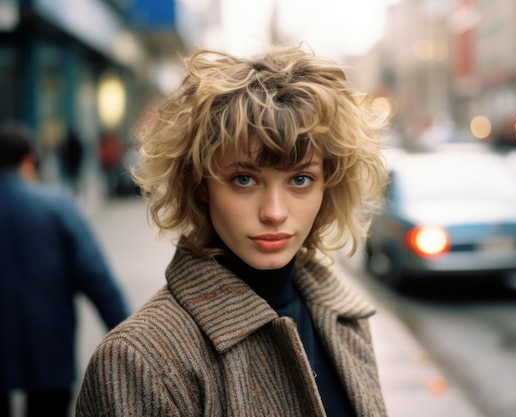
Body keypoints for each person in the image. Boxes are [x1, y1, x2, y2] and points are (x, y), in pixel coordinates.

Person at [76, 45, 391, 417]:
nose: (274, 213)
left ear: (329, 186)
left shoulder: (343, 320)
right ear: (200, 185)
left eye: (301, 179)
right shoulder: (140, 360)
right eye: (244, 179)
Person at [0, 121, 130, 417]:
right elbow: (96, 278)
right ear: (29, 161)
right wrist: (130, 336)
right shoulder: (57, 205)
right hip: (49, 351)